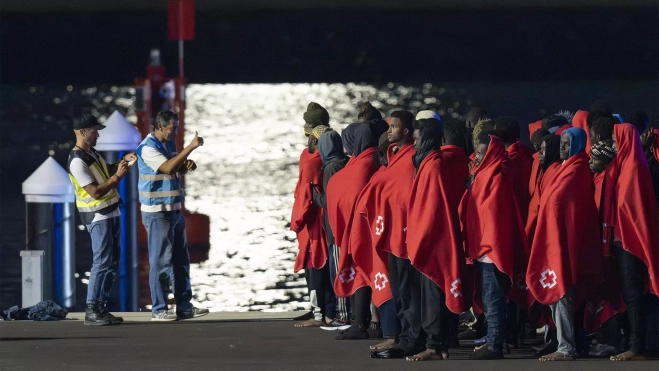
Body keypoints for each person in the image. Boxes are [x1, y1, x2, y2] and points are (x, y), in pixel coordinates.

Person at [349, 110, 422, 359]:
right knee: (400, 291)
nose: (389, 130)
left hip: (405, 235)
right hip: (391, 234)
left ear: (407, 131)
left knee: (409, 291)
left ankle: (411, 339)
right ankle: (401, 338)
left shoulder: (411, 157)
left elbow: (404, 195)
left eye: (394, 126)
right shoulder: (395, 156)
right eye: (389, 126)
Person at [527, 127, 601, 361]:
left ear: (578, 145)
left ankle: (566, 348)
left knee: (563, 295)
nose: (562, 148)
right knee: (561, 296)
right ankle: (568, 345)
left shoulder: (577, 170)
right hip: (558, 242)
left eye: (567, 144)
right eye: (562, 143)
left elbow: (560, 205)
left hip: (567, 244)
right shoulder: (566, 169)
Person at [460, 130, 529, 360]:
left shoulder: (497, 177)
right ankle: (493, 340)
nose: (477, 157)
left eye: (481, 153)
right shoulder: (483, 175)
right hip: (483, 247)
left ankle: (495, 345)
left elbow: (492, 214)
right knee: (490, 299)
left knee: (494, 299)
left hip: (492, 249)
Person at [406, 118, 471, 361]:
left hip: (434, 239)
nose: (414, 144)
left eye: (418, 139)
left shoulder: (432, 166)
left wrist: (419, 240)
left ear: (429, 139)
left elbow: (432, 208)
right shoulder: (437, 162)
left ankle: (434, 346)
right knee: (442, 290)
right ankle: (443, 343)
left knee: (433, 293)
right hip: (443, 236)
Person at [136, 110, 209, 321]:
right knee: (160, 263)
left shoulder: (168, 144)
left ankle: (184, 307)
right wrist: (190, 148)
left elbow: (172, 170)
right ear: (160, 127)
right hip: (157, 212)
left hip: (174, 210)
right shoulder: (147, 148)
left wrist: (184, 167)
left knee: (180, 262)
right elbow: (167, 167)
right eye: (172, 129)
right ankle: (158, 310)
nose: (174, 132)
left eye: (176, 128)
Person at [67, 114, 133, 326]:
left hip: (110, 211)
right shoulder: (77, 161)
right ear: (83, 131)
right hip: (98, 215)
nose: (98, 134)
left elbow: (107, 173)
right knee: (102, 262)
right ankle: (92, 309)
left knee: (111, 262)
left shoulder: (91, 153)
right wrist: (118, 177)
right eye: (95, 130)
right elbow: (94, 192)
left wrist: (122, 163)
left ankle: (100, 307)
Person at [327, 121, 389, 340]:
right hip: (381, 227)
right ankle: (376, 322)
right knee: (378, 276)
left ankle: (359, 324)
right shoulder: (378, 160)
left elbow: (345, 196)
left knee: (361, 274)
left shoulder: (359, 167)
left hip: (361, 230)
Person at [602, 124, 659, 361]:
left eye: (616, 141)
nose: (613, 147)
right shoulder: (624, 165)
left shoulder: (634, 168)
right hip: (622, 240)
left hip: (631, 242)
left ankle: (637, 347)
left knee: (634, 294)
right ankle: (634, 342)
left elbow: (632, 209)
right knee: (629, 294)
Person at [292, 111, 332, 327]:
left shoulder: (314, 158)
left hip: (314, 217)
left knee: (316, 262)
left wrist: (298, 219)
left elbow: (306, 191)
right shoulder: (320, 153)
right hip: (315, 214)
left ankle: (320, 313)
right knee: (316, 263)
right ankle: (318, 309)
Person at [312, 130, 349, 330]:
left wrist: (313, 195)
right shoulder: (348, 161)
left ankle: (343, 316)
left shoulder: (330, 167)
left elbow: (329, 200)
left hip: (335, 228)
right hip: (349, 226)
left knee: (338, 272)